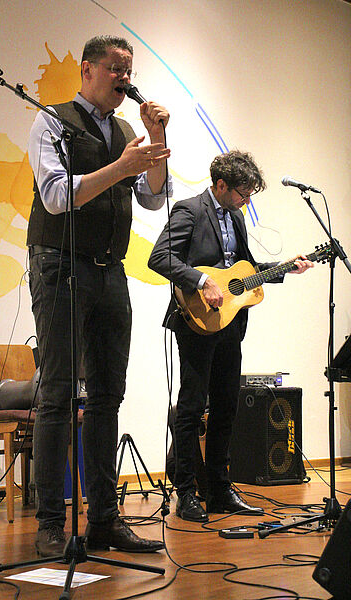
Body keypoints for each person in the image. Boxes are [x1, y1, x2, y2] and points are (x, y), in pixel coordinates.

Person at [27, 35, 171, 556]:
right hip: (60, 265)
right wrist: (120, 168)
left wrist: (156, 139)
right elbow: (55, 196)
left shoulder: (129, 131)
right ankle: (50, 524)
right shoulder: (52, 120)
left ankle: (104, 520)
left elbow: (153, 197)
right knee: (58, 394)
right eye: (116, 69)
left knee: (108, 396)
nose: (125, 79)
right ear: (87, 70)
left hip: (111, 271)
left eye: (129, 71)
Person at [148, 150, 313, 522]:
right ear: (221, 185)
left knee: (226, 407)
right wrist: (202, 280)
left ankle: (220, 490)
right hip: (196, 322)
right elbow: (160, 258)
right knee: (191, 408)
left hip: (230, 326)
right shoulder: (190, 210)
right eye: (243, 193)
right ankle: (186, 492)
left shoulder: (236, 216)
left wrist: (285, 268)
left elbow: (244, 270)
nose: (246, 201)